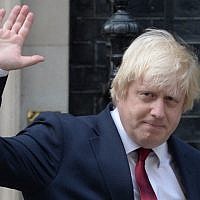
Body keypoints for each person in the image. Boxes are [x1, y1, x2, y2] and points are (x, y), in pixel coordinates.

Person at [0, 4, 200, 200]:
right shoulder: (60, 141)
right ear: (121, 91)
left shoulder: (193, 165)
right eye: (147, 95)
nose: (158, 111)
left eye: (171, 100)